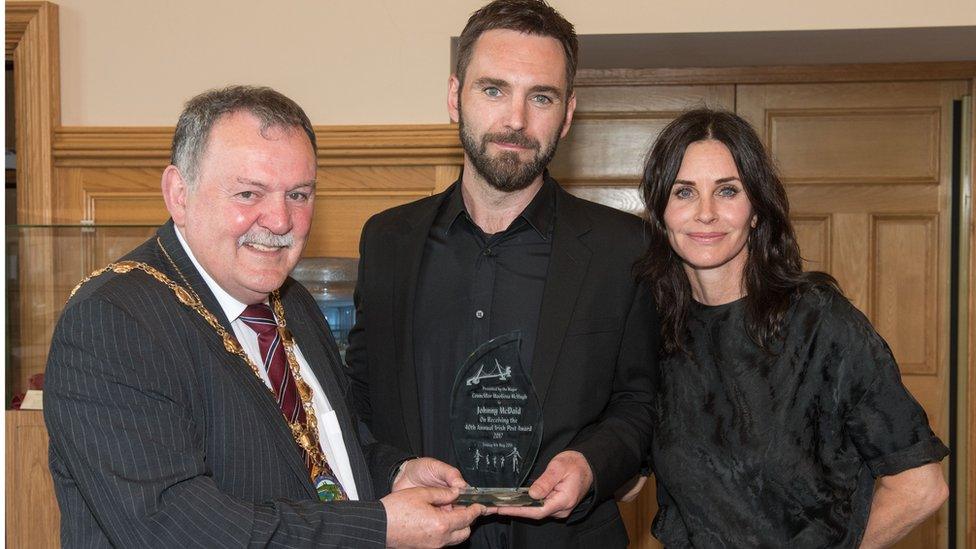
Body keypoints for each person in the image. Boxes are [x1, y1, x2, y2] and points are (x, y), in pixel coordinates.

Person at [43, 85, 487, 548]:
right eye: (249, 193)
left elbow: (322, 452)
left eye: (298, 194)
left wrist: (394, 473)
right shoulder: (113, 322)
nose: (279, 220)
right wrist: (378, 527)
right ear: (179, 193)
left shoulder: (289, 299)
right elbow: (176, 530)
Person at [344, 1, 658, 547]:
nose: (516, 120)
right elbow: (359, 397)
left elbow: (641, 401)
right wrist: (393, 468)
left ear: (567, 113)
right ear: (453, 98)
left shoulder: (623, 248)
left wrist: (590, 464)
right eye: (493, 90)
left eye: (541, 97)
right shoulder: (387, 241)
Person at [636, 108, 949, 547]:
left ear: (757, 212)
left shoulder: (822, 324)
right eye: (683, 192)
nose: (705, 213)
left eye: (727, 191)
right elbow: (629, 481)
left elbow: (922, 487)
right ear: (661, 211)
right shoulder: (654, 330)